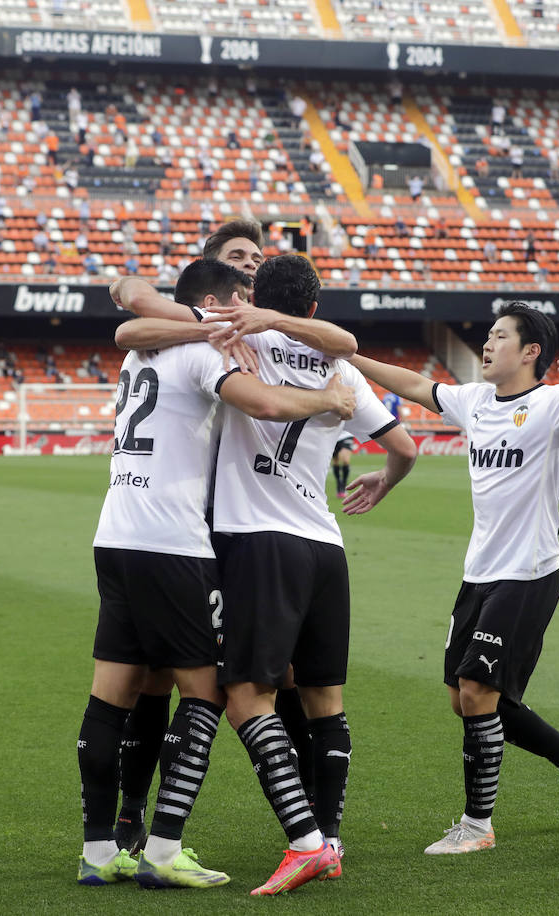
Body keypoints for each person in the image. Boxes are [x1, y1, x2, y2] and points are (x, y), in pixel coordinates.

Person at [76, 259, 359, 888]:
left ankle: (98, 854)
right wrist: (328, 400)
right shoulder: (205, 346)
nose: (247, 313)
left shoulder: (140, 353)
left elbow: (127, 326)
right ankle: (168, 848)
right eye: (241, 301)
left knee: (110, 694)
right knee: (212, 694)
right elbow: (260, 400)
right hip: (173, 542)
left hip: (115, 533)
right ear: (214, 303)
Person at [349, 303, 559, 855]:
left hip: (528, 572)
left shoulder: (554, 405)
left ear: (530, 352)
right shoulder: (474, 401)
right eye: (488, 335)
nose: (488, 343)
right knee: (463, 697)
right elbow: (415, 383)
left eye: (500, 336)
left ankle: (477, 826)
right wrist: (352, 357)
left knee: (478, 692)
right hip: (479, 572)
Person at [196, 254, 418, 893]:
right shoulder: (337, 363)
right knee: (325, 700)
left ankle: (306, 843)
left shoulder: (237, 338)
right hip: (325, 544)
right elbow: (404, 447)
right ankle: (332, 837)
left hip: (258, 540)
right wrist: (384, 480)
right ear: (314, 308)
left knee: (246, 696)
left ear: (253, 297)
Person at [102, 219, 316, 853]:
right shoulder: (200, 321)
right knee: (160, 681)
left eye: (258, 259)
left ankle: (310, 817)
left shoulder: (270, 325)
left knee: (281, 675)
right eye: (239, 258)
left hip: (248, 528)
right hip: (183, 528)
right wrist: (210, 326)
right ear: (214, 270)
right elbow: (129, 304)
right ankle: (139, 819)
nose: (251, 267)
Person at [330, 435, 354, 499]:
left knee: (345, 460)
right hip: (334, 434)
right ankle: (339, 484)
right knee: (335, 461)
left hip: (347, 435)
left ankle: (344, 485)